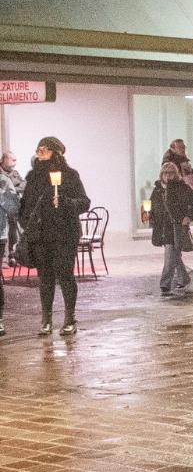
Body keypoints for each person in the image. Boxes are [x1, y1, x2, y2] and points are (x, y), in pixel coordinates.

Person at [21, 136, 90, 336]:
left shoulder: (69, 175)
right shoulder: (33, 177)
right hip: (41, 235)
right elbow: (26, 204)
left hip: (64, 234)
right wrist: (27, 223)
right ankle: (46, 319)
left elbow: (84, 202)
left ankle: (70, 318)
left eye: (43, 150)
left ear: (55, 152)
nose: (39, 154)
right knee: (45, 278)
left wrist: (67, 203)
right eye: (38, 150)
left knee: (65, 276)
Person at [151, 160, 193, 297]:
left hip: (176, 226)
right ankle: (184, 279)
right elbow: (152, 207)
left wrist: (189, 217)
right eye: (166, 173)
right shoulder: (157, 189)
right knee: (175, 255)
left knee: (170, 255)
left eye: (171, 173)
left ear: (176, 174)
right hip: (163, 228)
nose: (168, 175)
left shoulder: (182, 187)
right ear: (161, 174)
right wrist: (148, 215)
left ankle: (165, 284)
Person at [0, 149, 23, 268]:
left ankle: (12, 257)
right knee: (2, 234)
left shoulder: (15, 173)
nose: (15, 162)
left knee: (13, 232)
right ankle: (3, 259)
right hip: (2, 209)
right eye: (12, 160)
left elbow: (24, 185)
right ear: (4, 160)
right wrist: (12, 186)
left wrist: (13, 187)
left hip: (12, 207)